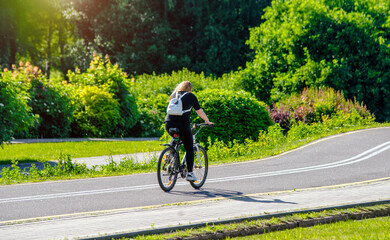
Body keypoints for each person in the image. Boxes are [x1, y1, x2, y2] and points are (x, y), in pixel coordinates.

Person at [165, 81, 213, 182]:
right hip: (182, 125)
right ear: (190, 89)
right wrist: (207, 121)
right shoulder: (191, 96)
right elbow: (199, 110)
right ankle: (190, 173)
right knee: (189, 148)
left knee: (175, 137)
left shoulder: (174, 95)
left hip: (168, 124)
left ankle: (169, 155)